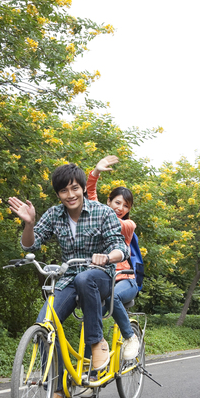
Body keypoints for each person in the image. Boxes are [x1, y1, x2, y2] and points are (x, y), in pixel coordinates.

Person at [8, 163, 129, 398]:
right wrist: (29, 224)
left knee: (86, 279)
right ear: (58, 194)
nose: (70, 195)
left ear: (83, 188)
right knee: (43, 325)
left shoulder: (103, 212)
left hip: (100, 277)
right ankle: (58, 391)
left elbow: (120, 247)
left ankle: (97, 344)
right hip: (68, 279)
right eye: (64, 191)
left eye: (75, 188)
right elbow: (30, 246)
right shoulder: (54, 215)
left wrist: (106, 257)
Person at [86, 154, 141, 360]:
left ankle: (130, 337)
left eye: (126, 206)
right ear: (108, 201)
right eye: (117, 203)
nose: (120, 208)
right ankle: (89, 366)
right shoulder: (100, 214)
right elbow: (90, 194)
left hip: (125, 279)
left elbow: (103, 215)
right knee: (90, 319)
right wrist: (96, 172)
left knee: (111, 296)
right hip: (102, 278)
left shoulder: (128, 225)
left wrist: (97, 209)